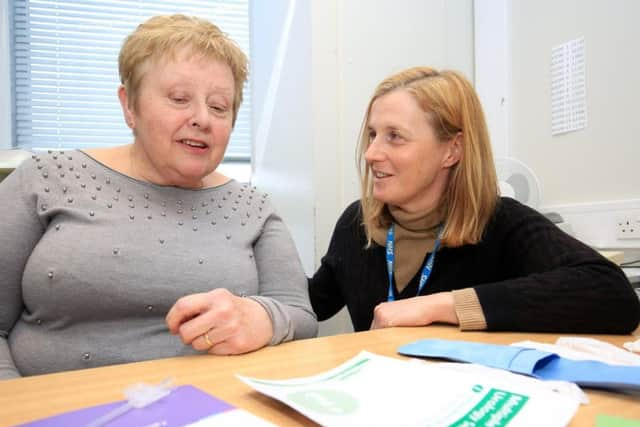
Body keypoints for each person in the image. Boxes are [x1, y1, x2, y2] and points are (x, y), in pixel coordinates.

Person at [0, 14, 317, 380]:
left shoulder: (253, 208)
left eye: (219, 107)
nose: (202, 118)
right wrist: (14, 405)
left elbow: (300, 316)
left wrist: (263, 317)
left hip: (213, 408)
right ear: (129, 105)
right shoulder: (46, 178)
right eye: (179, 99)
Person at [309, 66, 640, 334]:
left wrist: (442, 306)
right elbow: (309, 303)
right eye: (372, 135)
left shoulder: (501, 222)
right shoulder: (358, 222)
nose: (371, 153)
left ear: (452, 150)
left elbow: (613, 294)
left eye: (394, 136)